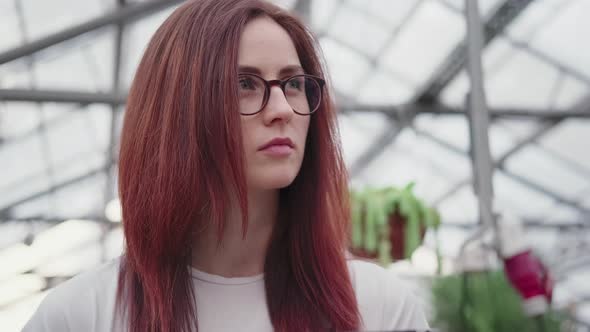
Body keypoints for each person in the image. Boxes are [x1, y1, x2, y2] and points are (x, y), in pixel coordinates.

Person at [23, 0, 430, 331]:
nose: (281, 109)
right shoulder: (80, 315)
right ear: (176, 111)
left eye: (293, 83)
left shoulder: (376, 309)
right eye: (244, 84)